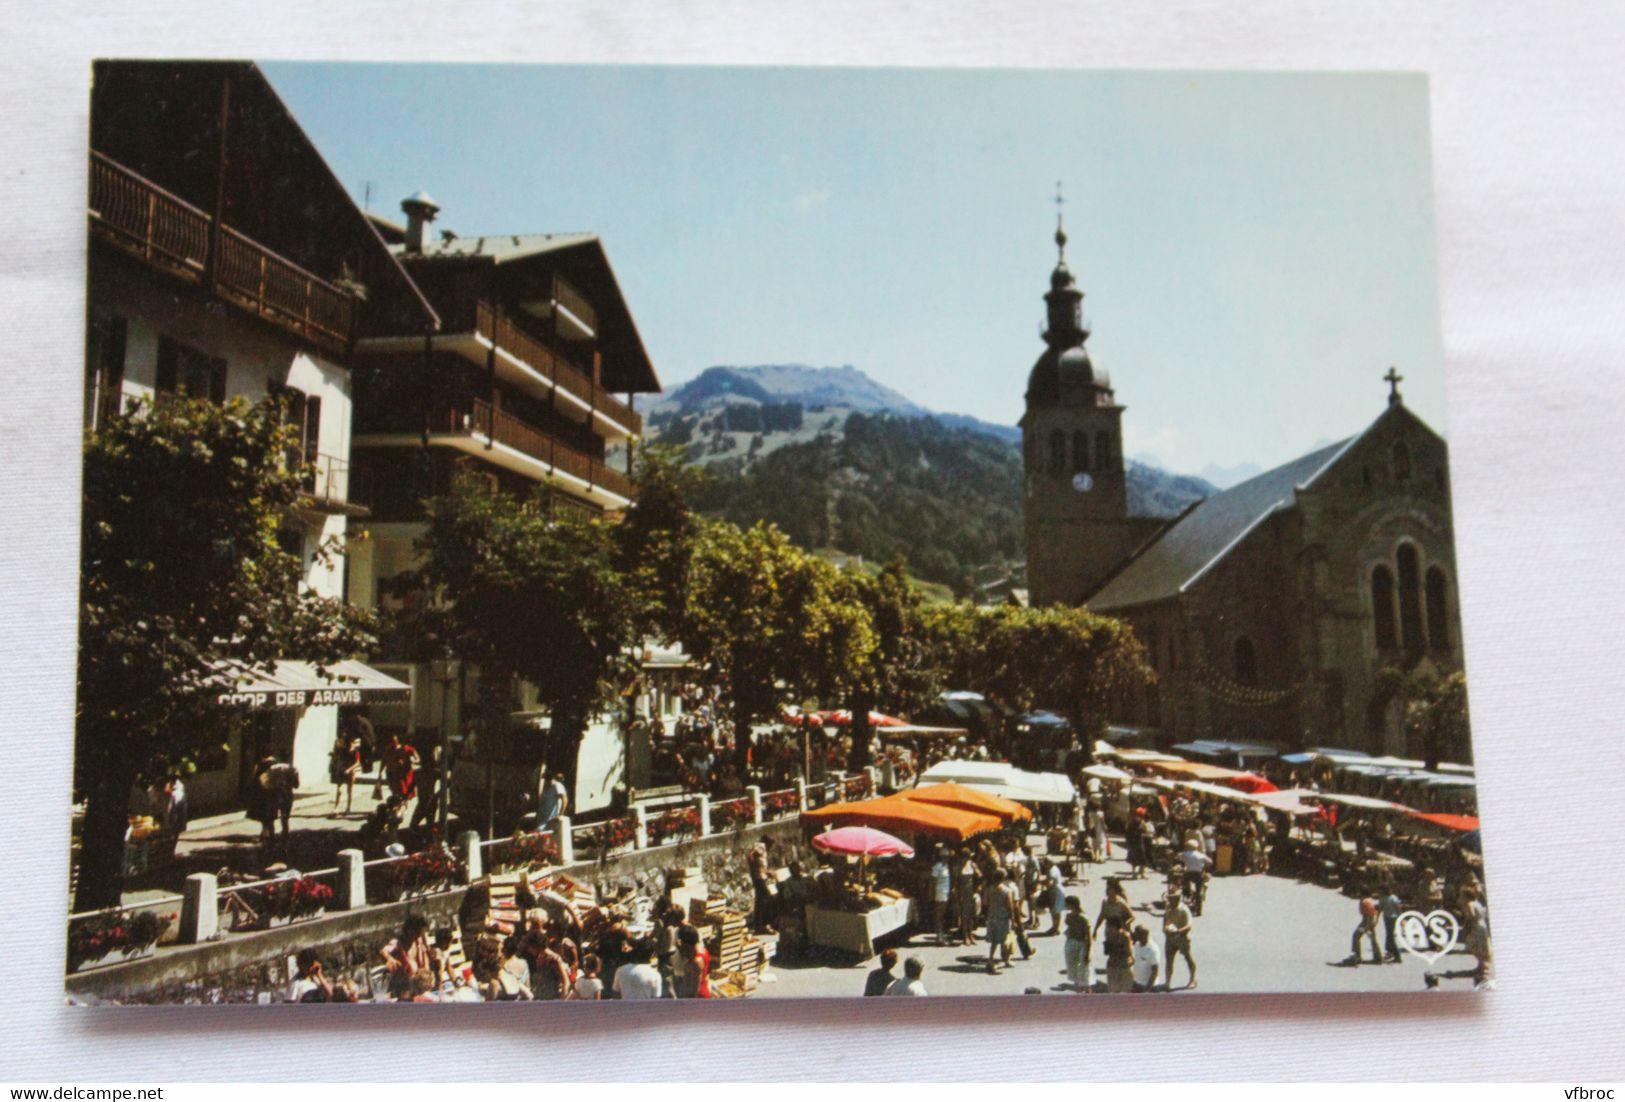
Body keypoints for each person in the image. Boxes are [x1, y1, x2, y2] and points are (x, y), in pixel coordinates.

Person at [1162, 887, 1197, 990]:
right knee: (1169, 961)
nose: (1171, 901)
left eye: (1174, 898)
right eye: (1170, 898)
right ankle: (1167, 982)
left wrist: (1178, 931)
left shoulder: (1184, 910)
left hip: (1182, 939)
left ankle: (1192, 979)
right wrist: (1166, 928)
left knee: (1188, 958)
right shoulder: (1168, 907)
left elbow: (1189, 926)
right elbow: (1166, 920)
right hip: (1170, 939)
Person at [985, 871, 1016, 975]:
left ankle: (991, 959)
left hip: (992, 915)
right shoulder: (1007, 890)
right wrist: (1013, 919)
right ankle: (1006, 959)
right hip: (1003, 916)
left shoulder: (989, 889)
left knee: (994, 940)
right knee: (1005, 939)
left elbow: (985, 902)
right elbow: (1010, 905)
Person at [1063, 895, 1093, 992]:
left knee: (1085, 971)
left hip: (1082, 944)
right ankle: (1078, 991)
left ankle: (1088, 992)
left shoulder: (1083, 918)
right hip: (1071, 942)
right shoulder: (1069, 917)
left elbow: (1089, 937)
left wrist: (1088, 953)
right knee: (1073, 969)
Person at [673, 925, 712, 998]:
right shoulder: (702, 950)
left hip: (699, 999)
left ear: (686, 943)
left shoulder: (696, 962)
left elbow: (694, 991)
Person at [329, 734, 362, 816]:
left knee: (349, 791)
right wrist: (339, 768)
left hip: (351, 772)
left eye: (350, 743)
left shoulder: (356, 752)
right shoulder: (343, 751)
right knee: (339, 790)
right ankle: (336, 808)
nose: (349, 745)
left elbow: (357, 763)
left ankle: (348, 807)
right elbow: (340, 760)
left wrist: (349, 769)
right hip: (343, 771)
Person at [955, 850, 980, 946]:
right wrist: (957, 892)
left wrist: (978, 888)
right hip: (962, 891)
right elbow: (956, 881)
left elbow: (979, 876)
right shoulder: (958, 866)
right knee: (964, 915)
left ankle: (971, 935)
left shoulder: (972, 864)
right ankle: (965, 936)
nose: (965, 859)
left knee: (971, 915)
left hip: (971, 891)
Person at [1349, 893, 1382, 966]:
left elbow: (1368, 914)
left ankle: (1357, 956)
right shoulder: (1369, 900)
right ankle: (1378, 957)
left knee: (1356, 936)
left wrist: (1365, 927)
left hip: (1366, 922)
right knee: (1373, 939)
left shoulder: (1365, 902)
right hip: (1370, 921)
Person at [1104, 918, 1135, 993]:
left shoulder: (1125, 936)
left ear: (1116, 927)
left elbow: (1128, 953)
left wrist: (1116, 950)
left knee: (1125, 990)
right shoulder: (1108, 934)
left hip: (1124, 965)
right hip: (1113, 964)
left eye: (1109, 926)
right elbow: (1107, 952)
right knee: (1112, 989)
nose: (1108, 928)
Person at [1379, 879, 1404, 963]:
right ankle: (1389, 951)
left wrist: (1401, 919)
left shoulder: (1387, 898)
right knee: (1389, 935)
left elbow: (1398, 908)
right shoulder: (1392, 898)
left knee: (1391, 936)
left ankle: (1397, 955)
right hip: (1389, 918)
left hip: (1391, 918)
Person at [1130, 926, 1162, 993]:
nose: (1134, 935)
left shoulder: (1153, 950)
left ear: (1143, 935)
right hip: (1137, 984)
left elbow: (1155, 971)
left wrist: (1147, 989)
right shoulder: (1137, 945)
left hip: (1149, 987)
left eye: (1136, 933)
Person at [930, 851, 952, 945]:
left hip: (945, 892)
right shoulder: (937, 867)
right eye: (945, 857)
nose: (947, 858)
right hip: (939, 892)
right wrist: (932, 894)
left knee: (942, 915)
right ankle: (939, 936)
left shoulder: (946, 866)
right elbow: (933, 882)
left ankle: (941, 934)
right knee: (939, 915)